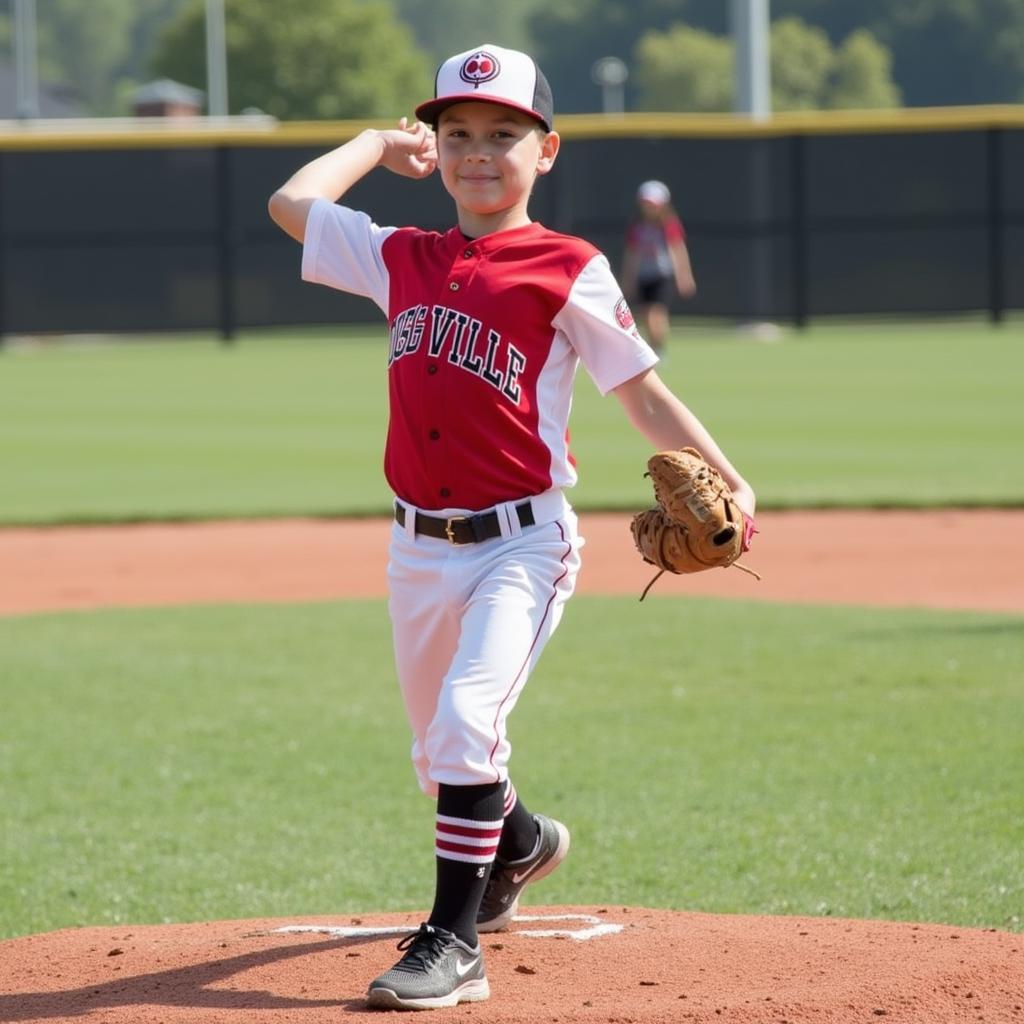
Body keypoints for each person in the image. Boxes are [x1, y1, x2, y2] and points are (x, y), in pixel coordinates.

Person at [267, 44, 755, 1012]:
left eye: (502, 135)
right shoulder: (401, 254)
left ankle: (452, 940)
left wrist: (732, 479)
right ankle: (522, 843)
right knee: (438, 755)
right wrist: (373, 142)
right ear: (435, 146)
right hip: (416, 547)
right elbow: (291, 204)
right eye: (457, 135)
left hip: (522, 543)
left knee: (463, 726)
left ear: (547, 150)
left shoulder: (568, 266)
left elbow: (640, 391)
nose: (476, 153)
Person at [621, 179, 697, 355]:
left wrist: (684, 276)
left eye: (653, 204)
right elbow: (632, 255)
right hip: (643, 275)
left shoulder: (669, 226)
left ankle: (658, 348)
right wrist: (628, 279)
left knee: (657, 313)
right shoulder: (638, 227)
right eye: (646, 203)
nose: (649, 208)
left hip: (661, 274)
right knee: (645, 315)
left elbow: (678, 250)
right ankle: (654, 346)